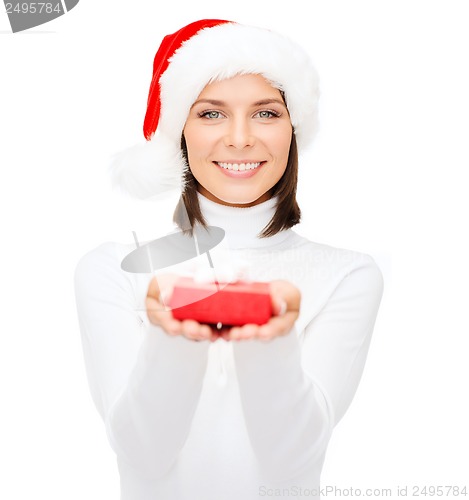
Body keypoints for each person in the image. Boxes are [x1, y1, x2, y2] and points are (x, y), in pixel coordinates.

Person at [73, 19, 384, 500]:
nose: (240, 139)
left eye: (265, 113)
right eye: (211, 114)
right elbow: (144, 452)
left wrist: (271, 341)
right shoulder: (114, 271)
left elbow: (287, 458)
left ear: (292, 128)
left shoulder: (348, 275)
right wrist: (174, 338)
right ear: (179, 132)